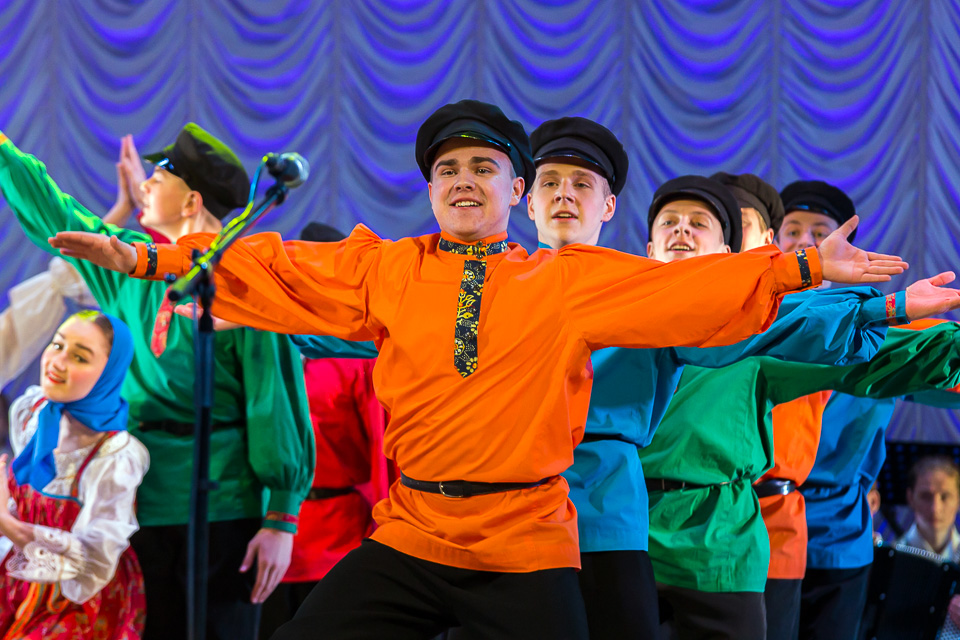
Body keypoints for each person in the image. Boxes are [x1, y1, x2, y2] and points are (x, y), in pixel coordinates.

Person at [49, 99, 905, 639]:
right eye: (447, 169)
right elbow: (275, 266)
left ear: (515, 191)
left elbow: (686, 290)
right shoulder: (387, 268)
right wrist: (145, 257)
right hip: (413, 530)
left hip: (524, 539)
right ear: (430, 191)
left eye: (484, 168)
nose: (463, 181)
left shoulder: (563, 279)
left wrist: (802, 266)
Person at [524, 119, 904, 640]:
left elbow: (791, 329)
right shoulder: (522, 286)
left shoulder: (702, 316)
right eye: (549, 182)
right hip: (536, 515)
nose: (682, 232)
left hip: (690, 533)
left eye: (699, 224)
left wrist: (887, 307)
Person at [0, 124, 314, 640]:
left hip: (223, 504)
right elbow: (59, 216)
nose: (144, 185)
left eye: (158, 177)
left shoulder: (243, 283)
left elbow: (272, 402)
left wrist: (281, 517)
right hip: (137, 498)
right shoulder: (129, 263)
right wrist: (5, 152)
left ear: (191, 201)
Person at [258, 222, 390, 639]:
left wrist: (387, 536)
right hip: (259, 528)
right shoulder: (266, 341)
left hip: (337, 537)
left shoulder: (360, 359)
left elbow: (382, 451)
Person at [0, 310, 148, 638]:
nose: (58, 362)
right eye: (57, 345)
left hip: (77, 600)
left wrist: (7, 523)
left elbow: (92, 563)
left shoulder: (115, 455)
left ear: (108, 373)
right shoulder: (32, 412)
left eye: (79, 357)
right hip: (17, 578)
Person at [898, 456, 960, 636]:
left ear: (958, 500)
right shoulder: (893, 558)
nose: (935, 508)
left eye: (945, 496)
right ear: (910, 497)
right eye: (926, 496)